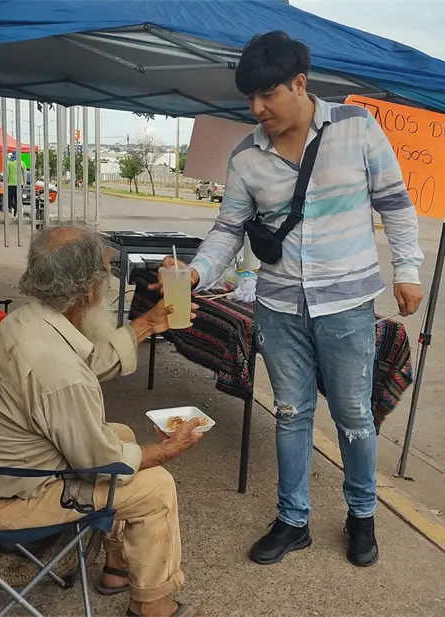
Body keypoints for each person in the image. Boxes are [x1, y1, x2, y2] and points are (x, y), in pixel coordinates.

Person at [155, 31, 424, 568]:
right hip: (277, 306)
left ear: (300, 83)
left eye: (268, 95)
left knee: (353, 416)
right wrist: (195, 271)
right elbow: (228, 230)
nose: (257, 109)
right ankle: (292, 520)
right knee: (290, 413)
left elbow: (395, 203)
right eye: (249, 99)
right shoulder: (246, 155)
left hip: (347, 305)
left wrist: (408, 268)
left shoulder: (356, 128)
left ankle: (361, 516)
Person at [0, 226, 210, 617]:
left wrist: (145, 324)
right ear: (88, 290)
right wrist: (165, 450)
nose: (107, 286)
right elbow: (98, 460)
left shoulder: (28, 321)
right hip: (5, 502)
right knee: (156, 485)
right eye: (105, 276)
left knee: (121, 433)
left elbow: (84, 365)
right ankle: (152, 605)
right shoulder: (55, 369)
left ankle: (117, 567)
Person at [5, 152, 26, 217]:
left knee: (9, 199)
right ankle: (17, 214)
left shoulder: (8, 162)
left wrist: (6, 182)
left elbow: (7, 173)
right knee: (18, 199)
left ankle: (14, 208)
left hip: (11, 184)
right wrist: (24, 183)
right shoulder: (22, 163)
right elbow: (24, 174)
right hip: (20, 184)